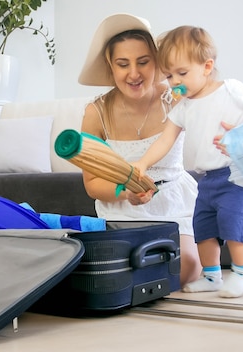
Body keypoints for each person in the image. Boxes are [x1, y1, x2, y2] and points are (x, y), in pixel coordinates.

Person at [133, 26, 243, 298]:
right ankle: (212, 276)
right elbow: (164, 141)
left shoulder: (231, 89)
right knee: (203, 227)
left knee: (233, 223)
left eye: (182, 73)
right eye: (169, 75)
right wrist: (142, 163)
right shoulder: (183, 108)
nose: (175, 81)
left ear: (207, 66)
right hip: (208, 180)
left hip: (237, 174)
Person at [78, 14, 202, 287]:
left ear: (156, 62)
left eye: (143, 62)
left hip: (174, 200)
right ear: (111, 67)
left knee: (188, 269)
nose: (133, 73)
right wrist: (126, 192)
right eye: (123, 64)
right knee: (124, 275)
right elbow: (92, 183)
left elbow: (211, 90)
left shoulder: (175, 98)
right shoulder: (95, 113)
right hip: (122, 207)